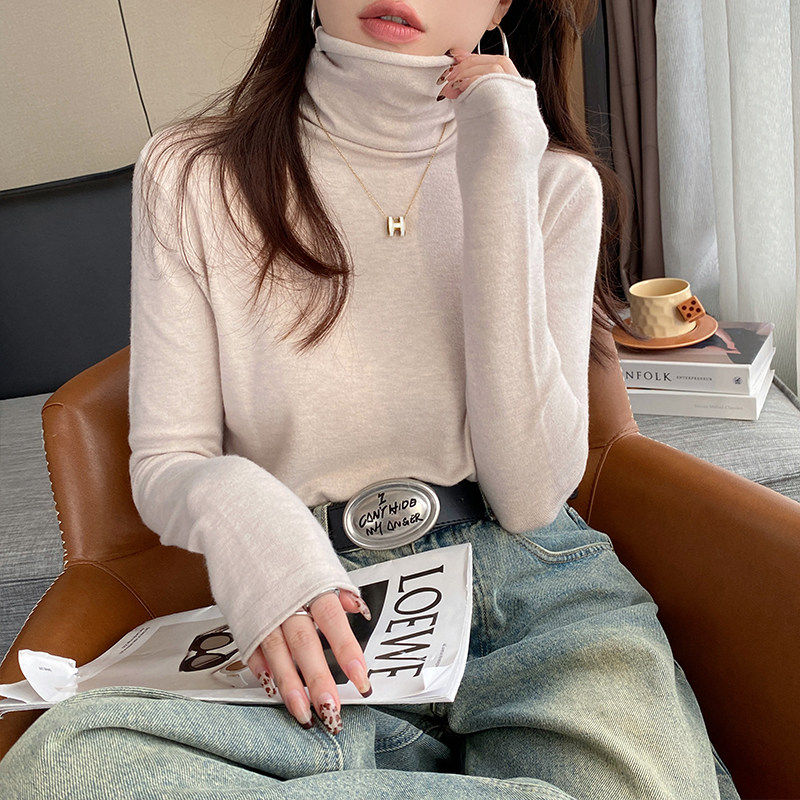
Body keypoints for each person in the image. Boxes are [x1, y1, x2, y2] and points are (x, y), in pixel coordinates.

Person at [0, 1, 742, 798]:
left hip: (535, 589)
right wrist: (252, 523)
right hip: (310, 606)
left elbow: (530, 495)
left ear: (501, 4)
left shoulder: (554, 182)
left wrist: (500, 179)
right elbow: (167, 459)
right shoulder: (192, 173)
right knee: (64, 768)